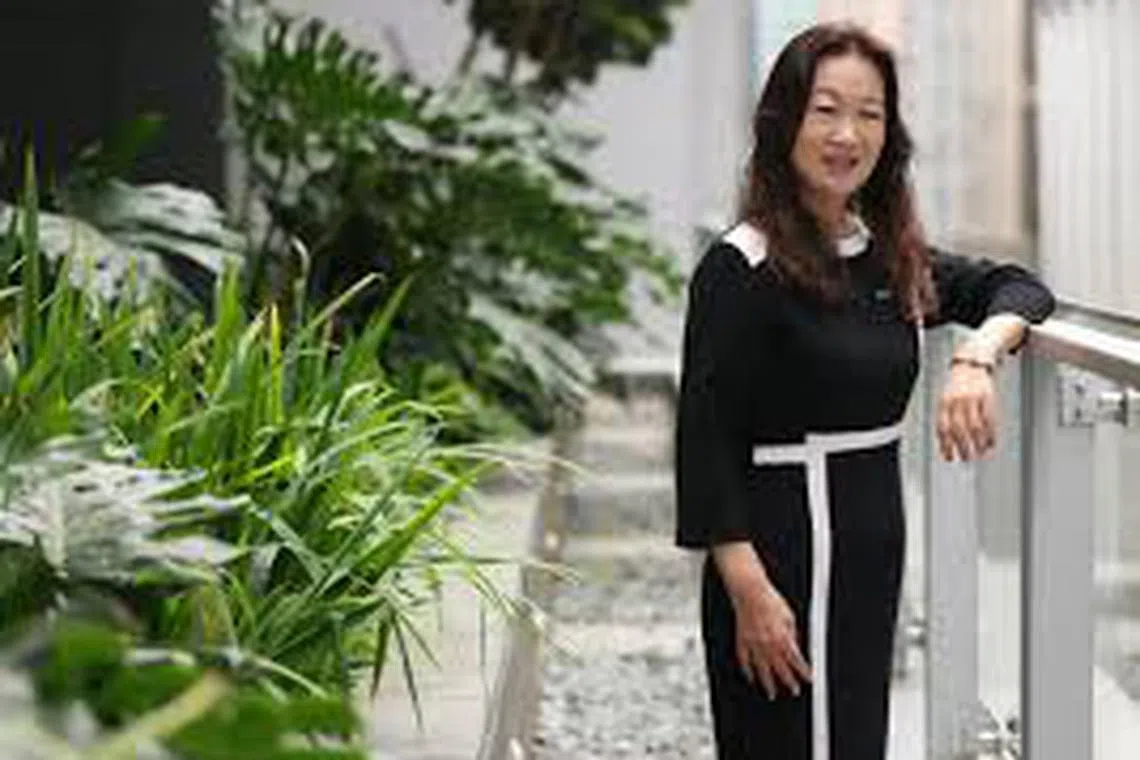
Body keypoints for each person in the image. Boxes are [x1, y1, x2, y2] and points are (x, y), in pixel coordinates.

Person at [673, 21, 1055, 760]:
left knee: (854, 739)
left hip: (870, 550)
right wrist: (748, 590)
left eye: (869, 114)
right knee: (780, 741)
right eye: (826, 110)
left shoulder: (890, 260)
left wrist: (977, 356)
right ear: (784, 120)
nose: (847, 134)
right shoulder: (741, 266)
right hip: (778, 552)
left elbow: (1020, 288)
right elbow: (704, 436)